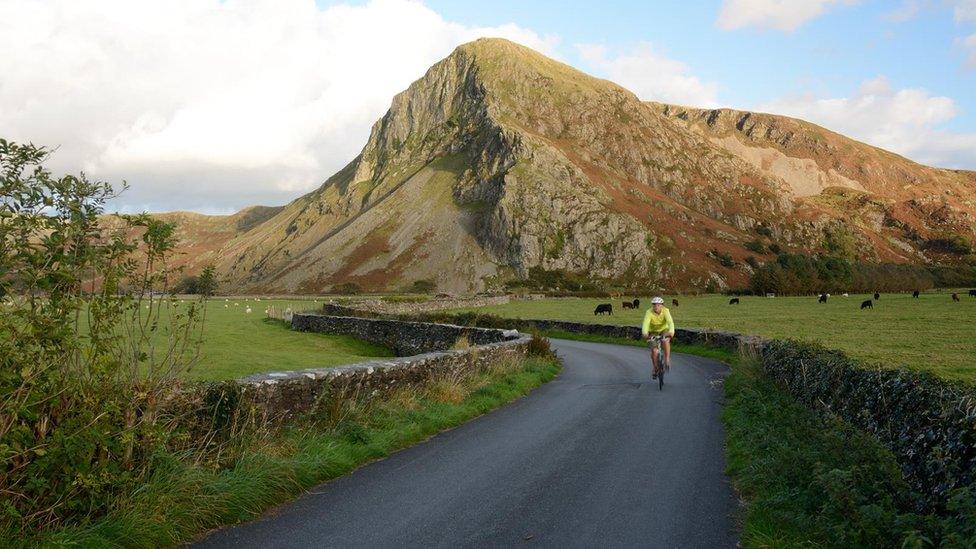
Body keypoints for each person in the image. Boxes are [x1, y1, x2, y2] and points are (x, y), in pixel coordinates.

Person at [641, 296, 675, 379]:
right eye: (654, 305)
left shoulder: (666, 311)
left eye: (658, 305)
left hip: (664, 329)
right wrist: (645, 333)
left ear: (662, 305)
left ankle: (667, 359)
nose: (656, 307)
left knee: (665, 340)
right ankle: (655, 368)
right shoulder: (649, 312)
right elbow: (645, 324)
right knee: (654, 351)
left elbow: (670, 322)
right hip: (652, 332)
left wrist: (671, 332)